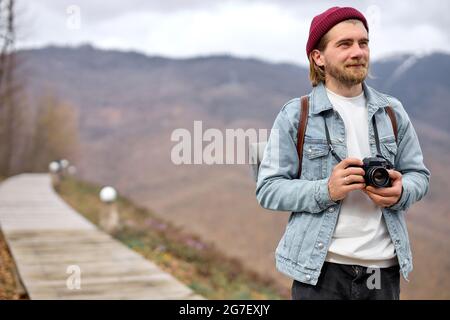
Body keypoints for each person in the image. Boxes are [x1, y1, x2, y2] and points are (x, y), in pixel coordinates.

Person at [256, 6, 430, 300]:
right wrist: (326, 189)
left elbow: (419, 176)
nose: (358, 52)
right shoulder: (297, 115)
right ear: (318, 57)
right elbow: (269, 189)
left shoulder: (391, 112)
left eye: (363, 43)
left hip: (381, 269)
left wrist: (402, 191)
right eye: (345, 44)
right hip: (322, 270)